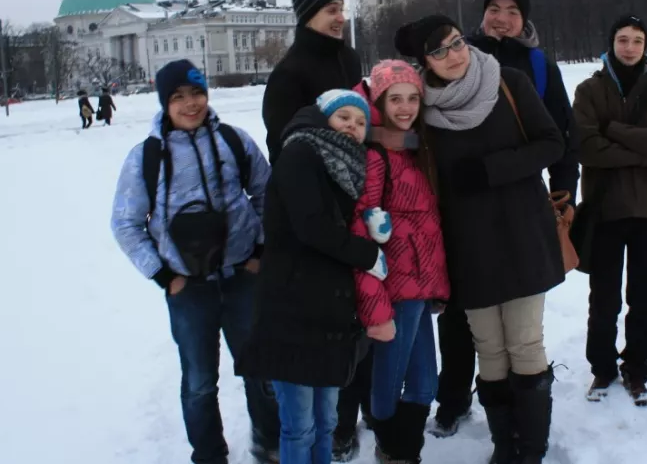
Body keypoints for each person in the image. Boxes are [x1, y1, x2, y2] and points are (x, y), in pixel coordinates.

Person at [396, 15, 565, 464]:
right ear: (424, 63)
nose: (454, 54)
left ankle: (530, 451)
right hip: (466, 248)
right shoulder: (424, 111)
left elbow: (552, 143)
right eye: (440, 51)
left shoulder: (507, 82)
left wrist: (492, 170)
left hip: (522, 234)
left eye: (456, 42)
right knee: (489, 350)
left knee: (525, 344)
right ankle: (503, 447)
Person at [110, 59, 280, 464]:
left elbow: (267, 194)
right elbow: (125, 223)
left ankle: (270, 443)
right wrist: (164, 275)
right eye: (179, 97)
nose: (191, 104)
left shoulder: (234, 141)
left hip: (242, 278)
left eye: (197, 93)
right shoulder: (146, 157)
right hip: (188, 288)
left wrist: (258, 252)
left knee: (261, 369)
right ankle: (208, 454)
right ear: (165, 103)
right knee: (200, 381)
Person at [433, 0, 579, 437]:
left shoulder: (532, 69)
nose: (502, 17)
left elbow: (559, 132)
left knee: (519, 335)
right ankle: (454, 400)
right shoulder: (451, 59)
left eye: (512, 11)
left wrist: (564, 185)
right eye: (494, 8)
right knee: (467, 330)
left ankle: (525, 435)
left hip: (516, 212)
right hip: (466, 225)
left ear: (524, 20)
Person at [236, 89, 390, 464]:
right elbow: (311, 226)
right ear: (324, 118)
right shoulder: (300, 153)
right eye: (344, 119)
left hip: (329, 312)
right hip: (292, 312)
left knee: (327, 422)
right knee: (299, 426)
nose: (352, 127)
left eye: (359, 122)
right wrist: (367, 254)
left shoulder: (345, 165)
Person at [572, 15, 647, 406]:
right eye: (623, 39)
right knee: (603, 297)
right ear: (611, 43)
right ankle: (602, 369)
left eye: (637, 40)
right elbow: (586, 147)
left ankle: (637, 370)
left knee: (644, 296)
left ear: (645, 45)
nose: (630, 47)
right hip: (604, 209)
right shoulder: (589, 91)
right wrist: (642, 153)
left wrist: (614, 131)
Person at [349, 60, 450, 464]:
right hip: (394, 286)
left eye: (412, 98)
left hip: (422, 285)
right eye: (396, 99)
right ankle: (393, 451)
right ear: (380, 101)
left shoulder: (417, 148)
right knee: (389, 380)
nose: (405, 107)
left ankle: (403, 448)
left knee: (426, 383)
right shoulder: (375, 156)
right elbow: (363, 218)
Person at [262, 0, 361, 165]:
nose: (341, 18)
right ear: (308, 16)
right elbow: (282, 148)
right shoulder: (287, 74)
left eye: (341, 9)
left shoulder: (350, 59)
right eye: (332, 10)